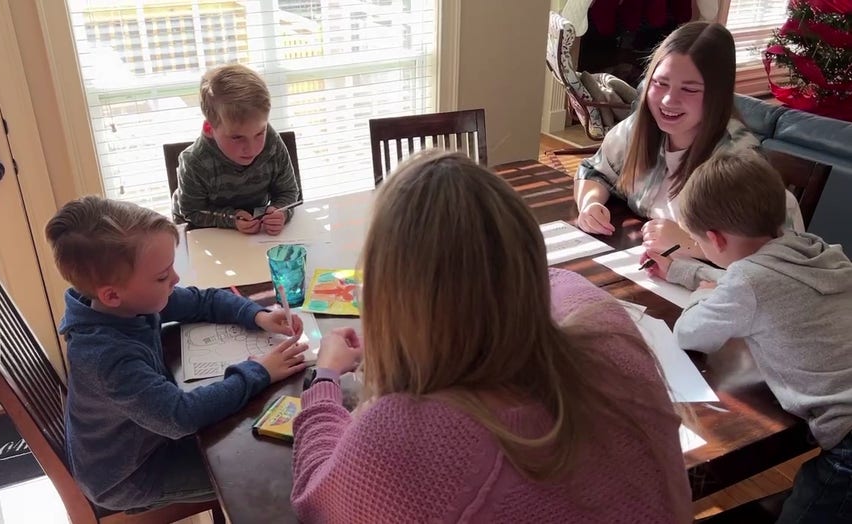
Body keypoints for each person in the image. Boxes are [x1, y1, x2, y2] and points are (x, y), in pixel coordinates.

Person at [290, 151, 691, 522]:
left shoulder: (406, 435)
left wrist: (323, 377)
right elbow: (559, 281)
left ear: (389, 298)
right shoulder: (613, 335)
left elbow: (317, 499)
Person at [45, 195, 308, 511]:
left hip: (150, 430)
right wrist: (260, 372)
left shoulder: (128, 299)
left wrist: (257, 315)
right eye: (162, 276)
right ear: (112, 294)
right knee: (274, 470)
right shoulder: (106, 357)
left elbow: (202, 301)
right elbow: (181, 417)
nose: (175, 280)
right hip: (134, 474)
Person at [643, 152, 852, 523]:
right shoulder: (815, 251)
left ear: (715, 239)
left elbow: (689, 332)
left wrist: (700, 292)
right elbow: (750, 284)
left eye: (697, 242)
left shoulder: (750, 284)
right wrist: (683, 271)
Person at [573, 21, 803, 258]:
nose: (668, 101)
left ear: (717, 95)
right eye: (660, 83)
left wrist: (691, 245)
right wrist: (590, 204)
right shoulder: (639, 128)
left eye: (690, 89)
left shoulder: (739, 161)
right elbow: (594, 170)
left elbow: (778, 260)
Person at [171, 64, 299, 234]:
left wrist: (280, 211)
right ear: (209, 129)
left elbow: (288, 191)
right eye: (237, 137)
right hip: (204, 233)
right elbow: (192, 212)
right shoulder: (195, 161)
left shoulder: (272, 143)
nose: (252, 149)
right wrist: (231, 219)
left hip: (254, 233)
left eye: (260, 133)